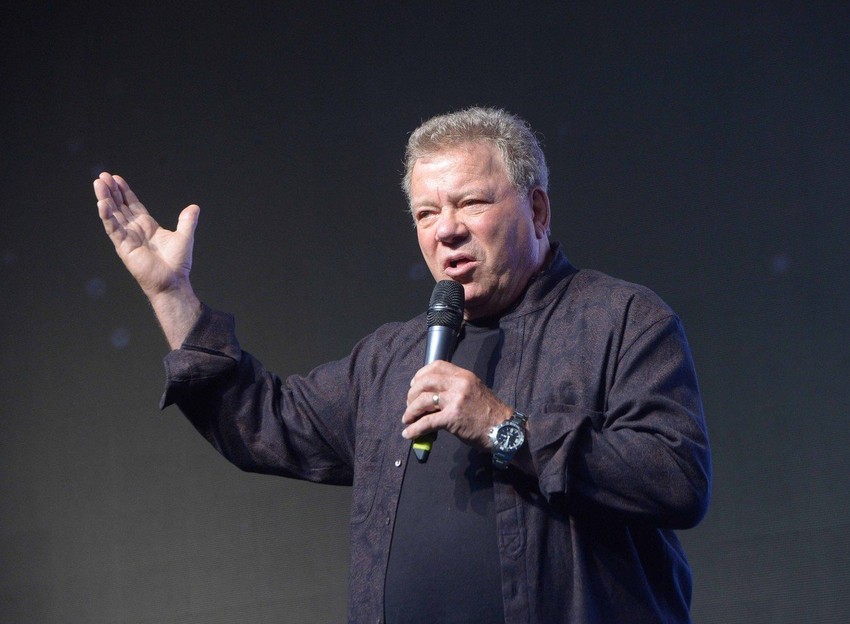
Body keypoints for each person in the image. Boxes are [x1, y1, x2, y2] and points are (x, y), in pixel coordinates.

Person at [94, 107, 711, 623]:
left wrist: (501, 427)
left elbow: (676, 477)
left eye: (470, 203)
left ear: (539, 211)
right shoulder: (391, 357)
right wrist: (172, 296)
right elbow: (264, 421)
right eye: (425, 213)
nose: (447, 231)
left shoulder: (620, 319)